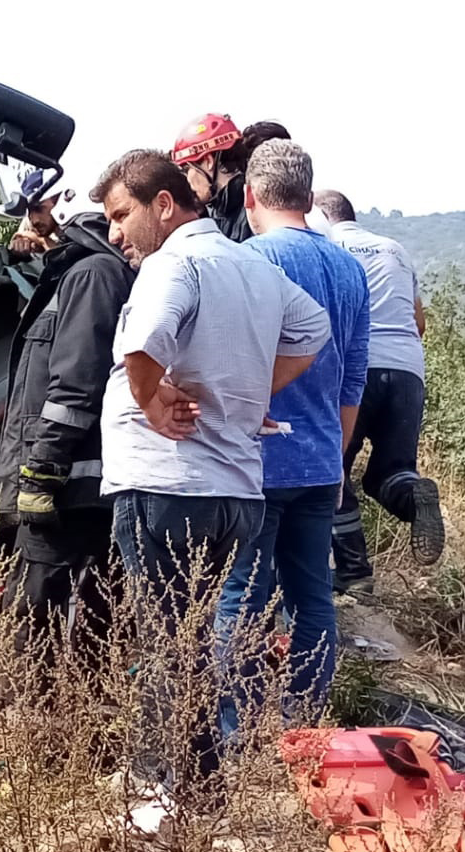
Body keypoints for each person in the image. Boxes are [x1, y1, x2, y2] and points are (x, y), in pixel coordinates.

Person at [94, 149, 330, 779]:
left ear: (163, 204)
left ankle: (155, 792)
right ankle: (198, 787)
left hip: (167, 481)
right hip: (235, 492)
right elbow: (314, 329)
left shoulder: (178, 262)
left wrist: (151, 397)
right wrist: (246, 391)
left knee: (165, 645)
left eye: (121, 215)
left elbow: (144, 345)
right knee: (190, 645)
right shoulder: (248, 265)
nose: (115, 233)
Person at [216, 142, 370, 726]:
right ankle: (302, 723)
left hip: (253, 460)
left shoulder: (246, 260)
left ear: (250, 196)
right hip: (319, 461)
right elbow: (353, 377)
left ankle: (240, 729)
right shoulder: (349, 268)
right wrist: (337, 458)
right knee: (314, 599)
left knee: (243, 599)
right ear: (308, 197)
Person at [0, 184, 135, 645]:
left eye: (38, 208)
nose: (32, 220)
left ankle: (25, 713)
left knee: (33, 605)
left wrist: (42, 470)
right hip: (72, 477)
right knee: (83, 604)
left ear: (66, 209)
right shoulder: (80, 270)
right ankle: (65, 707)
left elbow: (75, 384)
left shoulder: (92, 274)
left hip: (67, 482)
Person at [313, 188, 444, 588]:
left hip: (359, 368)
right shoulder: (396, 250)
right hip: (408, 370)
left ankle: (354, 574)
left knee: (332, 470)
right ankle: (414, 493)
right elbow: (419, 323)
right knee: (390, 472)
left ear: (320, 215)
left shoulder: (327, 245)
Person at [171, 115, 291, 243]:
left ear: (208, 161)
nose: (187, 179)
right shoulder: (209, 213)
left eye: (187, 169)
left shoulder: (258, 210)